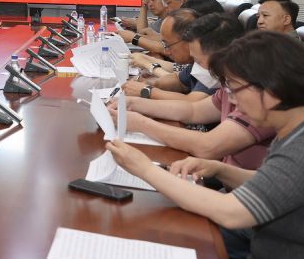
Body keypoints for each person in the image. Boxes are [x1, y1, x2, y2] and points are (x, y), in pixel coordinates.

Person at [107, 31, 304, 259]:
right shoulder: (294, 129)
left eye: (235, 89)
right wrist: (221, 170)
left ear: (271, 90)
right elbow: (275, 184)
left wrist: (144, 168)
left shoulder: (302, 148)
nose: (233, 101)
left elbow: (231, 212)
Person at [112, 13, 273, 170]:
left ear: (222, 55)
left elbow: (208, 146)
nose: (194, 68)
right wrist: (134, 103)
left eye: (198, 61)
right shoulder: (230, 84)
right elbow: (193, 110)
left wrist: (141, 124)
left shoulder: (257, 94)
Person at [123, 9, 217, 102]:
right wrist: (149, 84)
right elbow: (179, 81)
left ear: (190, 40)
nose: (166, 51)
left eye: (168, 45)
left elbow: (193, 103)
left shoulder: (212, 62)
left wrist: (147, 91)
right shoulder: (195, 63)